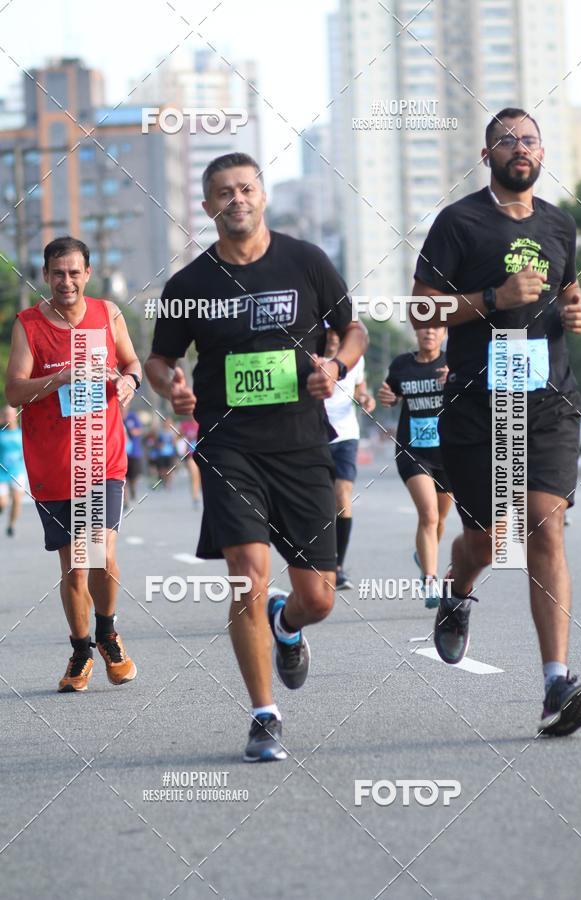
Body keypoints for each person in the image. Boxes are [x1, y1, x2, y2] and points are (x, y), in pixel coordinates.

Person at [145, 152, 367, 762]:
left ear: (262, 196)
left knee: (318, 598)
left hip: (302, 443)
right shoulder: (190, 286)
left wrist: (337, 364)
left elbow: (354, 329)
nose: (236, 199)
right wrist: (170, 385)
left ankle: (287, 624)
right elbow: (159, 360)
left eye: (245, 188)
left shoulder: (305, 261)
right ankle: (264, 715)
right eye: (224, 192)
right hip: (229, 446)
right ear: (207, 206)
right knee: (247, 571)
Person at [411, 108, 581, 735]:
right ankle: (458, 590)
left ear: (542, 154)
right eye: (508, 140)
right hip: (477, 404)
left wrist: (576, 310)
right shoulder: (458, 222)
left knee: (543, 524)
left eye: (530, 140)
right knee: (493, 540)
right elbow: (420, 310)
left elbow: (567, 291)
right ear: (487, 153)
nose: (521, 148)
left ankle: (555, 684)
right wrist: (493, 299)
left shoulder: (558, 223)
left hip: (547, 400)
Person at [5, 235, 140, 693]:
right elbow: (14, 392)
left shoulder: (108, 314)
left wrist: (130, 382)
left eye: (74, 272)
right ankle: (82, 650)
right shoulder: (28, 325)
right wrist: (61, 376)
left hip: (102, 456)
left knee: (100, 552)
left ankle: (108, 633)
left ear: (88, 274)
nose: (67, 281)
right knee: (75, 568)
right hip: (53, 464)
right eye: (58, 273)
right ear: (45, 275)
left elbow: (132, 363)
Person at [378, 326, 452, 608]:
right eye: (423, 327)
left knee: (440, 519)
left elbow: (475, 393)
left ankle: (423, 557)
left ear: (444, 332)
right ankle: (430, 579)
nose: (429, 332)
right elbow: (391, 394)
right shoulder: (402, 365)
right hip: (413, 451)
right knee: (429, 514)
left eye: (435, 328)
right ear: (416, 332)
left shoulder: (453, 362)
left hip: (447, 452)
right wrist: (388, 397)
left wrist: (455, 380)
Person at [324, 328, 375, 589]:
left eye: (338, 333)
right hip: (313, 436)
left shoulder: (355, 357)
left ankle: (338, 567)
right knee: (320, 503)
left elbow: (359, 390)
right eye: (329, 333)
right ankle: (318, 563)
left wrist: (365, 399)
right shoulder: (306, 355)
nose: (334, 337)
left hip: (346, 435)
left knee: (343, 496)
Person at [0, 405, 26, 537]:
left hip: (17, 472)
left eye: (11, 415)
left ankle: (11, 525)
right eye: (6, 415)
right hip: (2, 473)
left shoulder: (22, 433)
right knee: (2, 502)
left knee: (17, 499)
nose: (8, 417)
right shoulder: (1, 434)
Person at [178, 417, 201, 508]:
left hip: (203, 454)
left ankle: (201, 494)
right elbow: (178, 437)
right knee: (194, 475)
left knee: (202, 477)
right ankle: (195, 497)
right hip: (191, 455)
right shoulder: (185, 425)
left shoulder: (203, 423)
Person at [123, 406, 144, 508]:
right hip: (122, 454)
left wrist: (133, 431)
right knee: (123, 478)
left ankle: (133, 487)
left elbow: (140, 430)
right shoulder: (116, 417)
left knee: (133, 477)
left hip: (134, 453)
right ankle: (125, 501)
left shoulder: (133, 417)